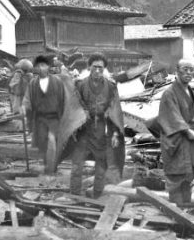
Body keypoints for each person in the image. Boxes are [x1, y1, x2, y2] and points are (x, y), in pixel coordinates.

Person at [158, 59, 194, 207]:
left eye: (191, 70)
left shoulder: (193, 94)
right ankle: (176, 211)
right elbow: (172, 116)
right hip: (178, 139)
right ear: (177, 71)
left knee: (189, 176)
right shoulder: (169, 93)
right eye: (185, 69)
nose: (189, 73)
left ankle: (187, 210)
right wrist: (186, 130)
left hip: (193, 140)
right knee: (177, 176)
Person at [70, 53, 124, 198]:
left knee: (101, 166)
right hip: (82, 129)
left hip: (100, 129)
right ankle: (74, 195)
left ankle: (97, 196)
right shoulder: (80, 84)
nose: (98, 71)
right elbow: (73, 105)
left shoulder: (111, 87)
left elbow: (115, 110)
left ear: (104, 69)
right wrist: (81, 114)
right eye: (95, 67)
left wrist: (115, 133)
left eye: (101, 68)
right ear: (89, 67)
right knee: (77, 166)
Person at [22, 54, 66, 174]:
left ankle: (52, 168)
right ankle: (49, 166)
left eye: (43, 65)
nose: (41, 68)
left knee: (52, 141)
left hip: (54, 118)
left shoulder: (57, 81)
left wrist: (63, 117)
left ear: (48, 67)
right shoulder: (33, 83)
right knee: (43, 144)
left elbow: (63, 99)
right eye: (39, 66)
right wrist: (24, 107)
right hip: (40, 118)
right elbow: (27, 99)